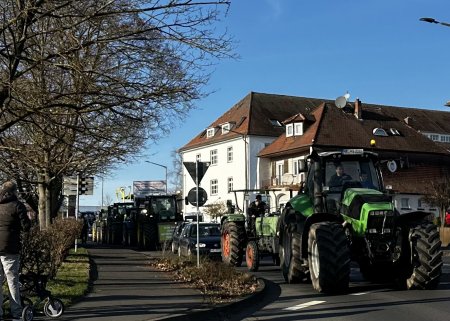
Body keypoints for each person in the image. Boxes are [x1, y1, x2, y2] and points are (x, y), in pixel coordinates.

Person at [0, 181, 31, 321]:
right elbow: (26, 227)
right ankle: (16, 312)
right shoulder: (17, 205)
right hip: (10, 247)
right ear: (14, 191)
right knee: (12, 280)